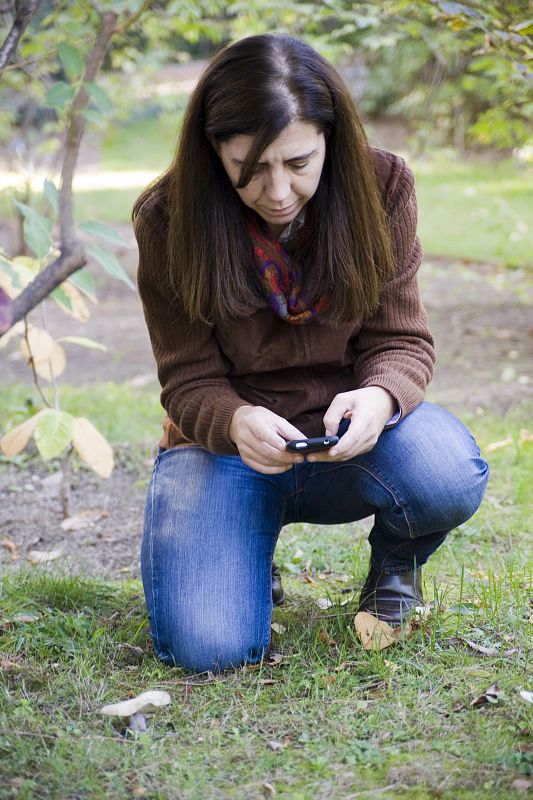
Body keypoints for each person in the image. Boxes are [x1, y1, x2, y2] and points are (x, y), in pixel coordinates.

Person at [132, 33, 489, 673]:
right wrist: (236, 421)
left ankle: (395, 565)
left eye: (298, 163)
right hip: (226, 448)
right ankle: (247, 552)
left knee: (446, 471)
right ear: (214, 151)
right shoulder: (168, 216)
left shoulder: (383, 187)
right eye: (250, 167)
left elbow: (400, 339)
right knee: (209, 649)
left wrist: (379, 398)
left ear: (330, 137)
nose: (277, 192)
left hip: (351, 435)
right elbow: (187, 378)